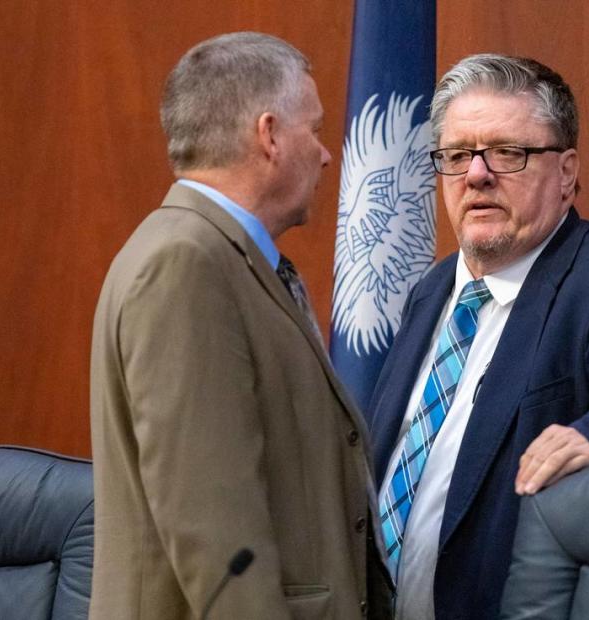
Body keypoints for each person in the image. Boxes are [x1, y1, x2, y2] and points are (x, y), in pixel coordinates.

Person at [367, 54, 589, 620]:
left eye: (507, 153)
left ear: (566, 172)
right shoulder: (430, 291)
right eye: (456, 155)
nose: (476, 175)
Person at [90, 32, 390, 619]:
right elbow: (216, 530)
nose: (328, 154)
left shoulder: (220, 256)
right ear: (270, 135)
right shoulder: (184, 265)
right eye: (316, 129)